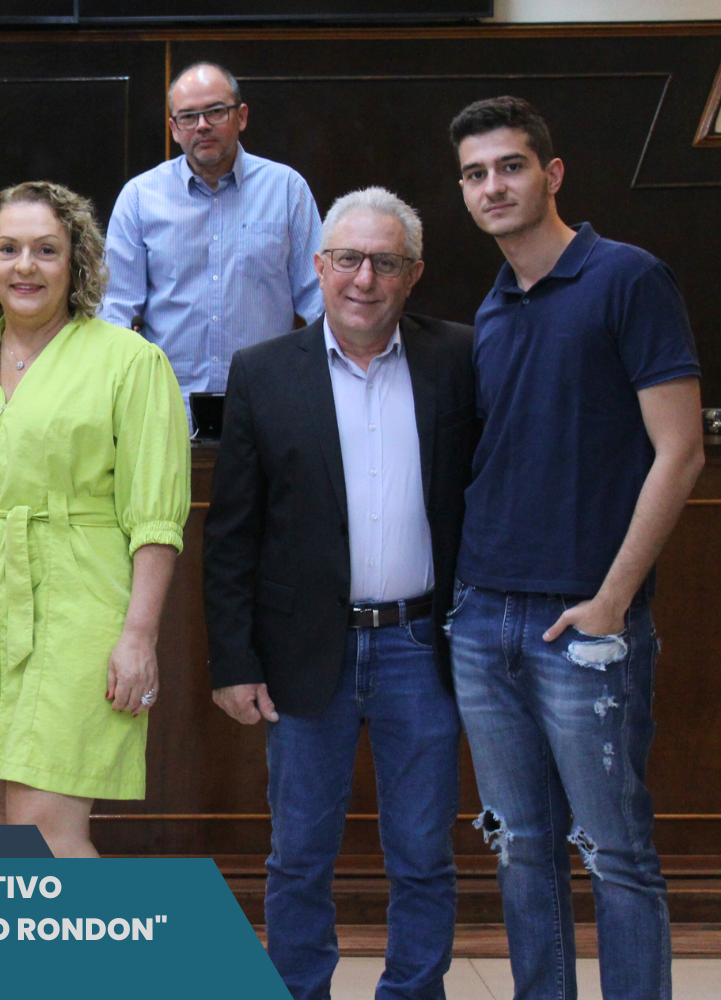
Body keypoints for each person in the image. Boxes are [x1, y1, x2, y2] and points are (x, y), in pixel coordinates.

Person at [449, 96, 704, 999]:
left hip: (585, 622)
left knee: (617, 855)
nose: (492, 186)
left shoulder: (627, 278)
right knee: (522, 852)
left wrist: (611, 600)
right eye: (475, 174)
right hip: (482, 619)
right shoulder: (491, 308)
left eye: (509, 166)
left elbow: (681, 451)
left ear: (551, 174)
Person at [204, 187, 478, 999]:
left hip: (422, 649)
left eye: (385, 263)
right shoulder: (261, 373)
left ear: (414, 274)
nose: (365, 278)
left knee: (425, 852)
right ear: (319, 268)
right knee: (299, 855)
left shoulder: (459, 358)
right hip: (303, 652)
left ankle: (414, 991)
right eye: (348, 259)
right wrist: (233, 660)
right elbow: (231, 536)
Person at [0, 181, 189, 858]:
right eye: (7, 249)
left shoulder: (131, 362)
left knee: (44, 827)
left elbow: (156, 517)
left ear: (78, 263)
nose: (25, 266)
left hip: (80, 607)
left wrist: (139, 636)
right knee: (2, 833)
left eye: (46, 249)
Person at [101, 61, 323, 415]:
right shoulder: (140, 197)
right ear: (174, 128)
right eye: (188, 117)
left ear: (242, 116)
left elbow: (320, 301)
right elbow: (115, 312)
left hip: (272, 402)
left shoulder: (286, 189)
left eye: (216, 112)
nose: (202, 126)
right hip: (167, 406)